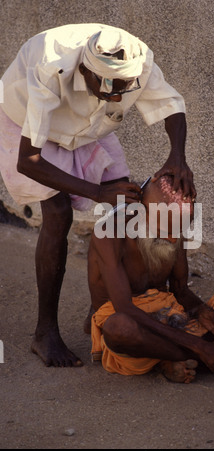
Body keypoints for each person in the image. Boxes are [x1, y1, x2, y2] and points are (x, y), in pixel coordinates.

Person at [0, 24, 195, 367]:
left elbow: (170, 105)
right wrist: (94, 191)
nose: (118, 97)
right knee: (58, 212)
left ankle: (102, 308)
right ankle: (44, 332)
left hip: (88, 124)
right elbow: (28, 161)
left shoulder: (138, 61)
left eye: (126, 88)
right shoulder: (51, 67)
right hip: (26, 119)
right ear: (85, 70)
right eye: (107, 85)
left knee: (124, 201)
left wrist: (177, 156)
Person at [88, 175, 214, 383]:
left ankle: (178, 358)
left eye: (179, 231)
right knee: (119, 327)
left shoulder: (173, 229)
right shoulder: (108, 233)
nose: (174, 239)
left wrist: (202, 311)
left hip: (175, 322)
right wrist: (199, 346)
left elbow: (180, 290)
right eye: (165, 231)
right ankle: (203, 359)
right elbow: (124, 308)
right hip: (135, 334)